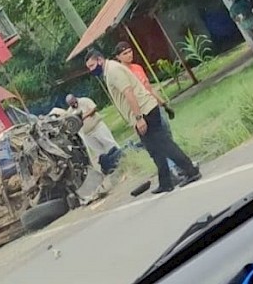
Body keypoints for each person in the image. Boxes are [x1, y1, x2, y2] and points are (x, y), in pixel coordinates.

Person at [84, 49, 201, 193]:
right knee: (154, 149)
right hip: (141, 113)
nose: (91, 70)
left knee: (163, 144)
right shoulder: (109, 72)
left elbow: (129, 93)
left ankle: (190, 170)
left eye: (92, 65)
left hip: (145, 111)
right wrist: (134, 121)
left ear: (100, 60)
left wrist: (139, 118)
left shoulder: (113, 70)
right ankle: (166, 182)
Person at [65, 94, 120, 159]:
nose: (73, 104)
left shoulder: (84, 101)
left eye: (73, 102)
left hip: (97, 127)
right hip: (87, 134)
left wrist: (83, 116)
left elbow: (94, 109)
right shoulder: (70, 111)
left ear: (75, 98)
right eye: (71, 104)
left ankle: (120, 156)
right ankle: (109, 163)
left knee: (109, 143)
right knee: (99, 151)